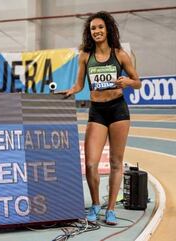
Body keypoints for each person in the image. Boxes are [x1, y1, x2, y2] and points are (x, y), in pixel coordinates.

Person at [62, 11, 141, 225]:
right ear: (90, 33)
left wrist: (127, 82)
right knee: (90, 163)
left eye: (100, 27)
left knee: (116, 162)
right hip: (97, 111)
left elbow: (138, 81)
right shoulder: (85, 56)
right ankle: (96, 204)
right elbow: (80, 85)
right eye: (93, 29)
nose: (97, 31)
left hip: (118, 111)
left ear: (107, 30)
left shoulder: (120, 54)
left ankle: (111, 209)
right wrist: (71, 91)